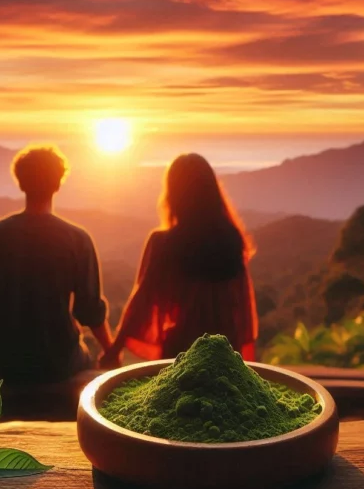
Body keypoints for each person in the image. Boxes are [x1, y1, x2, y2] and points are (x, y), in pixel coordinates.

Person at [0, 145, 113, 384]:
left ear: (20, 183)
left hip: (5, 364)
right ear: (57, 184)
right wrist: (111, 351)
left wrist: (0, 353)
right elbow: (90, 311)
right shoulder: (76, 239)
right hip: (59, 362)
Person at [100, 153, 258, 367]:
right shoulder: (231, 239)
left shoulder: (163, 243)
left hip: (182, 350)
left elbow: (141, 302)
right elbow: (243, 310)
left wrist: (113, 350)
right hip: (227, 352)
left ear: (173, 194)